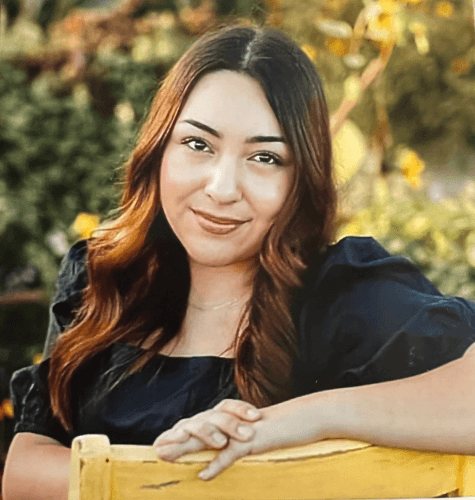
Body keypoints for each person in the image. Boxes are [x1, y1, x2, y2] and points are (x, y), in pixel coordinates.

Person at [3, 23, 475, 500]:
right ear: (158, 149)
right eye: (198, 144)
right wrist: (179, 481)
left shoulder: (343, 292)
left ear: (301, 178)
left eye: (266, 158)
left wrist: (301, 420)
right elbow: (24, 470)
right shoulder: (103, 276)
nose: (222, 188)